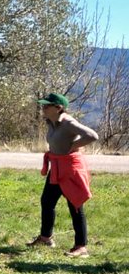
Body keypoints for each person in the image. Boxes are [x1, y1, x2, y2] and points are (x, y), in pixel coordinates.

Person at [29, 92, 98, 257]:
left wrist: (74, 145)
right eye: (43, 105)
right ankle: (46, 238)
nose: (43, 108)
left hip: (70, 170)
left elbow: (92, 136)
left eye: (47, 105)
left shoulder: (67, 122)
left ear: (58, 108)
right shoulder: (51, 122)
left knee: (75, 205)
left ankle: (81, 247)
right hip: (57, 167)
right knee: (47, 201)